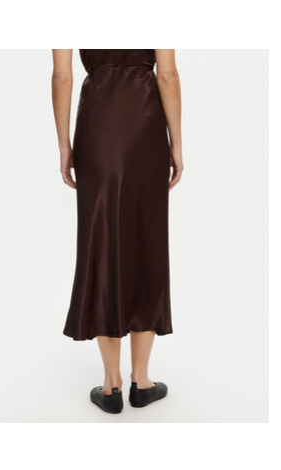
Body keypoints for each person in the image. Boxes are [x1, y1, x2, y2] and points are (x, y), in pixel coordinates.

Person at [51, 49, 183, 414]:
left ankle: (111, 384)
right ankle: (142, 380)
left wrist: (64, 145)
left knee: (102, 241)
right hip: (145, 125)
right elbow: (167, 75)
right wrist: (176, 142)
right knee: (146, 241)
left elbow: (62, 77)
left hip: (96, 125)